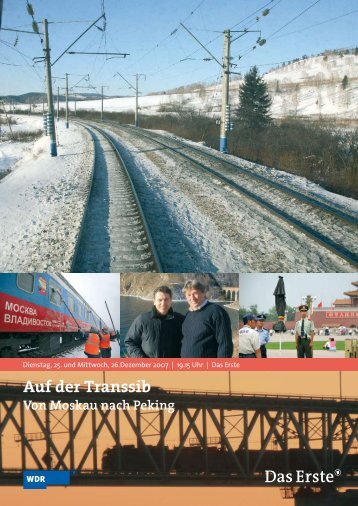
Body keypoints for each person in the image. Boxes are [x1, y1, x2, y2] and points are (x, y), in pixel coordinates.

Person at [125, 286, 184, 358]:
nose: (163, 303)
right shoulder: (142, 320)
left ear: (171, 301)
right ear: (154, 301)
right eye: (160, 300)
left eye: (166, 299)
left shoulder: (180, 319)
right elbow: (130, 342)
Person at [181, 280, 233, 358]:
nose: (192, 298)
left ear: (203, 293)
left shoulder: (216, 312)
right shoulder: (188, 315)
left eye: (195, 293)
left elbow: (225, 344)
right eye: (188, 295)